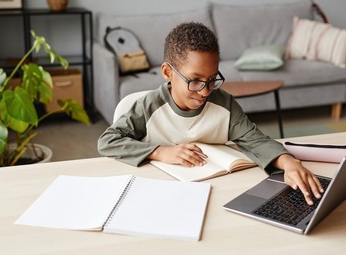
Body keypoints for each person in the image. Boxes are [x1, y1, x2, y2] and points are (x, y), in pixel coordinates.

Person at [98, 21, 323, 205]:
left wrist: (289, 163)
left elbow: (255, 140)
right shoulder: (149, 106)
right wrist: (159, 152)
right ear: (168, 72)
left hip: (214, 193)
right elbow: (108, 141)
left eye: (212, 79)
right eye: (194, 81)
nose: (205, 91)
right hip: (157, 194)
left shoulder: (224, 104)